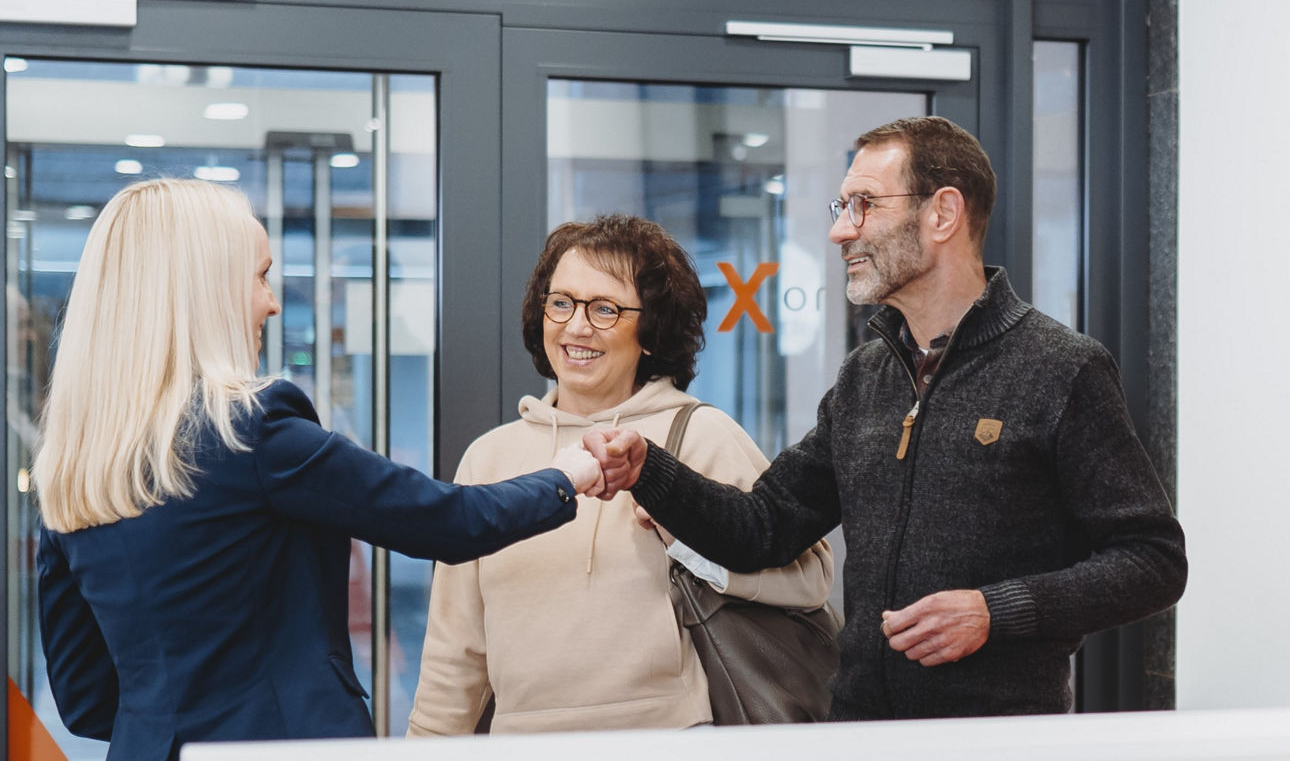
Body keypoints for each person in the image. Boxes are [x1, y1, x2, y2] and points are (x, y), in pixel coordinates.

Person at [585, 116, 1188, 720]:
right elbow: (762, 527)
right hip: (859, 729)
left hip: (1000, 737)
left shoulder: (1061, 368)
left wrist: (994, 611)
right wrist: (648, 468)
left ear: (942, 214)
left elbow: (1153, 561)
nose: (839, 231)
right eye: (841, 207)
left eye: (864, 204)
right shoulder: (864, 377)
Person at [34, 178, 602, 761]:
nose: (272, 302)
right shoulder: (250, 428)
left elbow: (83, 697)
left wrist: (162, 719)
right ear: (204, 291)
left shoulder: (73, 467)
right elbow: (451, 521)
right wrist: (565, 476)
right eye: (260, 276)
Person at [407, 214, 833, 735]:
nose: (576, 327)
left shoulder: (698, 435)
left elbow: (809, 581)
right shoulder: (489, 456)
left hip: (669, 739)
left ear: (650, 332)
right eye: (561, 303)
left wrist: (687, 537)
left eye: (605, 309)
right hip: (520, 744)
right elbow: (455, 649)